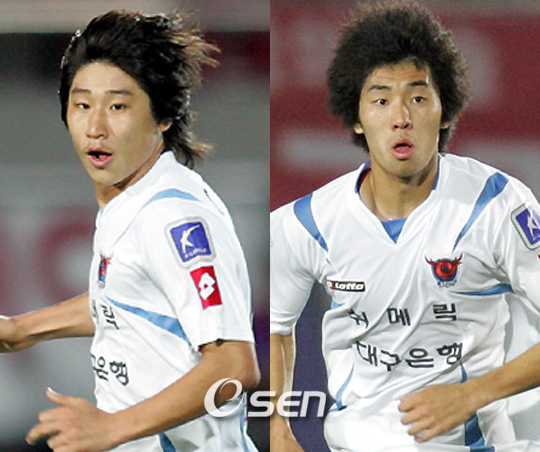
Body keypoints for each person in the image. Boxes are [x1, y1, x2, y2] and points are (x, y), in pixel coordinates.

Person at [270, 1, 540, 451]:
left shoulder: (496, 206)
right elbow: (278, 326)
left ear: (445, 111)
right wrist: (279, 430)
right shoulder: (307, 223)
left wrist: (472, 394)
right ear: (357, 118)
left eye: (417, 98)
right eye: (380, 100)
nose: (401, 118)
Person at [0, 9, 260, 452]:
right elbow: (133, 297)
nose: (95, 127)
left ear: (163, 117)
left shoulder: (172, 217)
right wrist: (21, 329)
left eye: (118, 106)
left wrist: (111, 428)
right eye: (82, 105)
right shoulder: (132, 199)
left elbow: (234, 366)